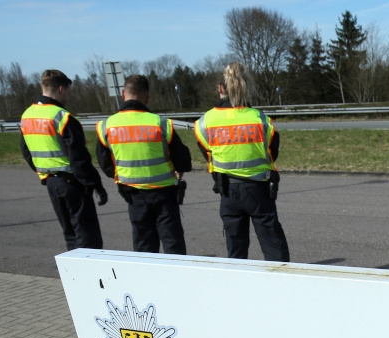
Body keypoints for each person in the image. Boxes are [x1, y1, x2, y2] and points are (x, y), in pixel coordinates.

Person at [194, 62, 289, 262]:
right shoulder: (260, 119)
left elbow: (208, 154)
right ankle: (281, 287)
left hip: (228, 191)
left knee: (236, 252)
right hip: (259, 191)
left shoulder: (205, 122)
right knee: (273, 247)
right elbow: (272, 152)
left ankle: (237, 289)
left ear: (220, 88)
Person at [95, 74, 192, 254]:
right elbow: (183, 160)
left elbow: (105, 163)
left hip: (133, 194)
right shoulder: (160, 124)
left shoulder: (106, 126)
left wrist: (121, 176)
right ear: (147, 98)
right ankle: (176, 280)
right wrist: (178, 171)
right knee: (173, 243)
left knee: (143, 244)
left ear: (123, 94)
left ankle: (145, 280)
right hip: (164, 193)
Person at [20, 69, 107, 250]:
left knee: (70, 234)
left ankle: (73, 276)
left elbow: (26, 151)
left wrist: (44, 172)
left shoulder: (27, 115)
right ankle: (89, 276)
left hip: (51, 182)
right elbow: (78, 157)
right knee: (87, 235)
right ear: (61, 89)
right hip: (72, 182)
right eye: (68, 90)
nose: (69, 95)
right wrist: (95, 184)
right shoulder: (62, 117)